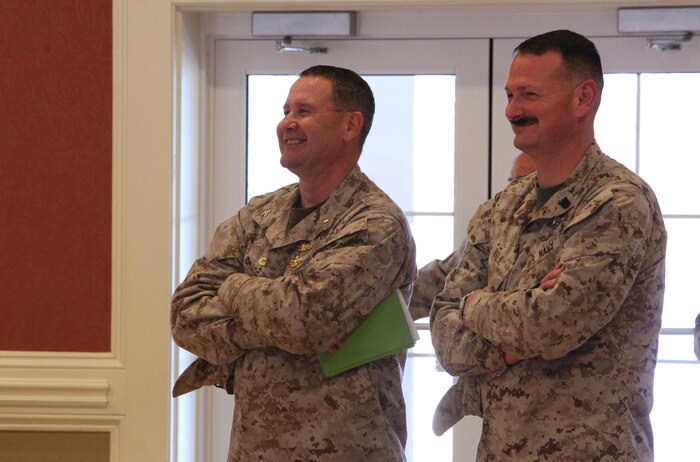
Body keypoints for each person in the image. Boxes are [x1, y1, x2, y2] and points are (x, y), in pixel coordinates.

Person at [430, 29, 666, 460]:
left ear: (582, 98)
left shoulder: (617, 202)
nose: (512, 110)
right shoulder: (499, 208)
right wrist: (516, 327)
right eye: (509, 95)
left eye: (529, 95)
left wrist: (475, 306)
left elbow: (552, 325)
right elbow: (445, 339)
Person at [170, 65, 416, 461]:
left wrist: (232, 287)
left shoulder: (374, 223)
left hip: (348, 449)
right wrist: (279, 323)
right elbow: (185, 315)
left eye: (304, 111)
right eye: (286, 111)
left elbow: (304, 318)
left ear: (351, 125)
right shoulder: (259, 214)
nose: (287, 123)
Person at [409, 152, 535, 321]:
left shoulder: (557, 231)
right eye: (512, 181)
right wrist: (390, 297)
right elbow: (442, 277)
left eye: (524, 180)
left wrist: (477, 304)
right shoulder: (493, 227)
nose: (517, 189)